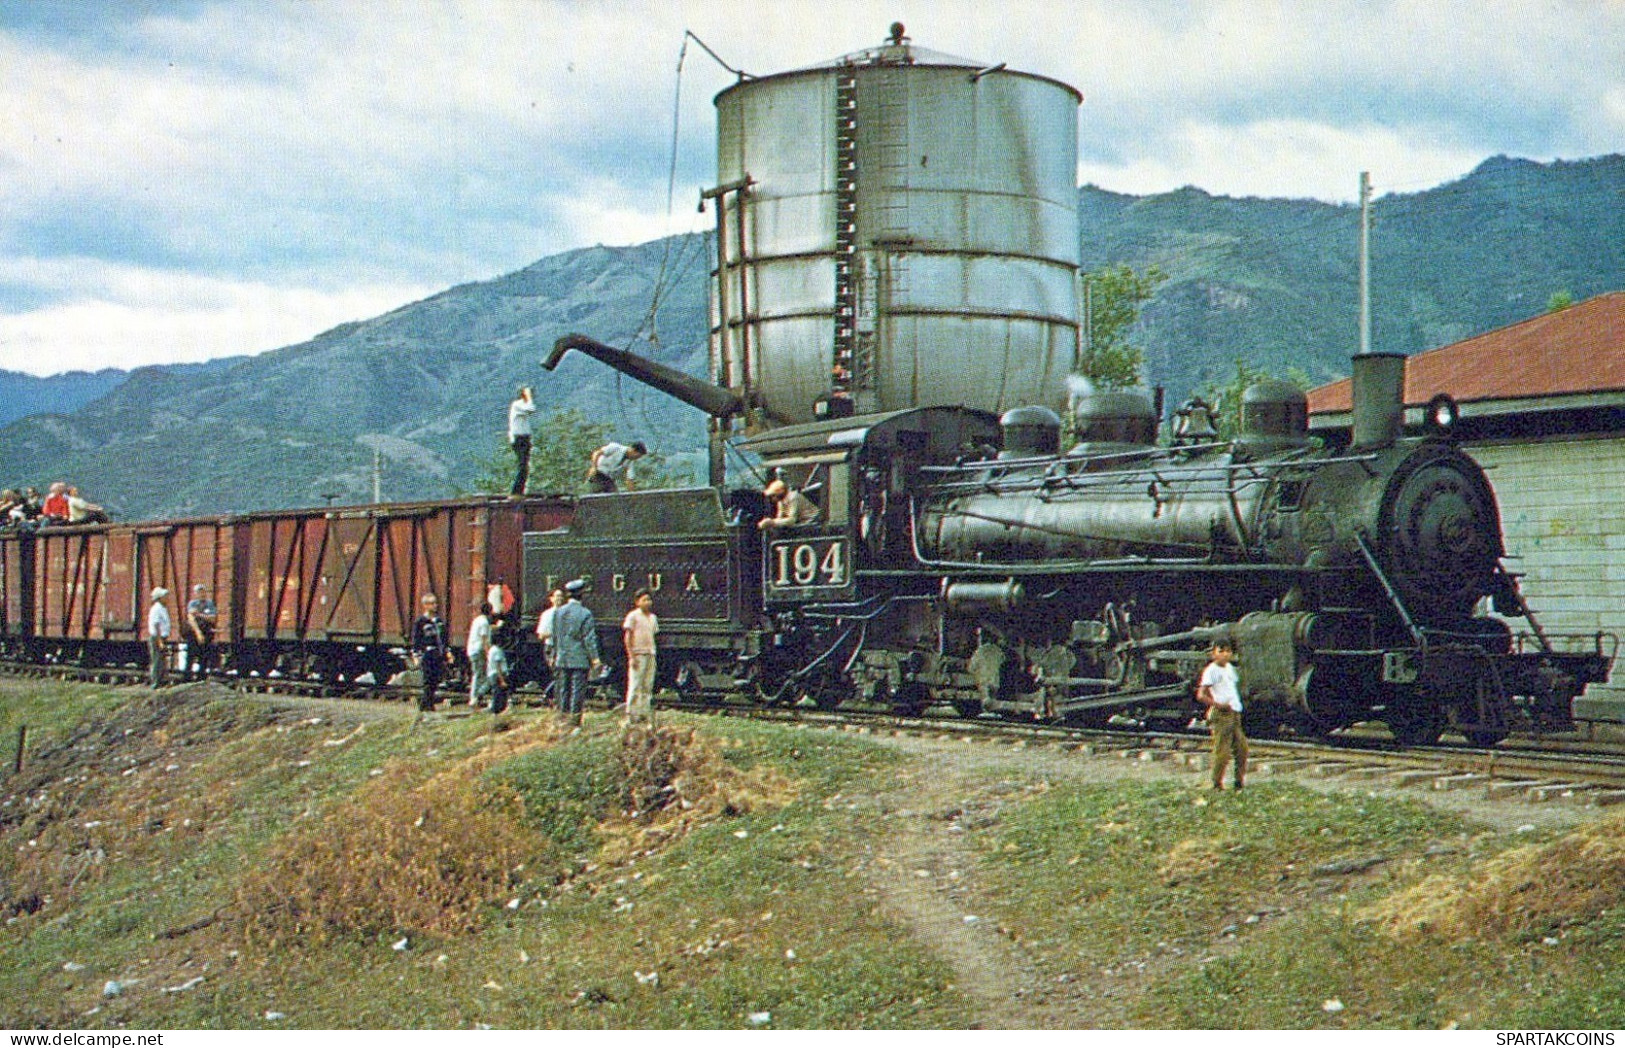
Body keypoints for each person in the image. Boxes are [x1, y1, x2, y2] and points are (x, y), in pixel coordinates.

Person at [549, 579, 601, 726]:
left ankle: (561, 718)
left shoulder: (558, 612)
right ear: (581, 595)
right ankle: (574, 720)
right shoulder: (585, 614)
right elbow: (589, 639)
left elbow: (555, 636)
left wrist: (554, 655)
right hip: (579, 658)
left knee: (563, 689)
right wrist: (595, 658)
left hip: (562, 656)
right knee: (577, 690)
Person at [1197, 639, 1247, 790]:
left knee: (1242, 749)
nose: (1225, 655)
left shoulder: (1230, 668)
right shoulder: (1211, 671)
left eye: (1228, 651)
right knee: (1222, 752)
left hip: (1234, 712)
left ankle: (1239, 782)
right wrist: (1218, 705)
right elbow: (1201, 695)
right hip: (1222, 714)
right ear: (1214, 654)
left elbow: (1233, 687)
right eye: (1221, 651)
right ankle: (1216, 783)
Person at [410, 593, 453, 712]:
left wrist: (448, 652)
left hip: (438, 653)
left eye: (435, 603)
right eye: (432, 603)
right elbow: (416, 639)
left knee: (436, 679)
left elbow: (444, 638)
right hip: (427, 654)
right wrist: (416, 655)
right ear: (425, 605)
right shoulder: (421, 622)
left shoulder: (439, 621)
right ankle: (426, 705)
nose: (435, 605)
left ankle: (426, 704)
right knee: (428, 679)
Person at [622, 588, 659, 723]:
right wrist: (631, 656)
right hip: (638, 654)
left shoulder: (653, 618)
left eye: (649, 599)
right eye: (644, 600)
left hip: (650, 653)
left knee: (647, 685)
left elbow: (653, 635)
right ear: (637, 602)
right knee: (635, 684)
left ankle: (644, 712)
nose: (647, 602)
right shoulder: (632, 616)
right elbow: (628, 637)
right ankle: (631, 713)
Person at [534, 586, 566, 707]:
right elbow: (541, 635)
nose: (559, 598)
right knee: (557, 673)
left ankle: (558, 699)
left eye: (561, 596)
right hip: (552, 647)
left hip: (564, 647)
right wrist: (555, 633)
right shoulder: (547, 615)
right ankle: (551, 696)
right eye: (557, 596)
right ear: (551, 599)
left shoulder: (566, 613)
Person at [184, 584, 218, 680]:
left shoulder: (210, 604)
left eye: (203, 592)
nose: (202, 594)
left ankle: (201, 677)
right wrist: (198, 633)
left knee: (204, 656)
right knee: (190, 655)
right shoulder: (192, 604)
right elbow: (191, 619)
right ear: (196, 594)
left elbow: (212, 619)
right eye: (199, 592)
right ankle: (187, 678)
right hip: (194, 632)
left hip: (206, 632)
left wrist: (199, 614)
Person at [508, 386, 537, 497]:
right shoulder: (517, 405)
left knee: (525, 465)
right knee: (523, 465)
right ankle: (516, 491)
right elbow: (531, 408)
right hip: (519, 438)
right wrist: (528, 396)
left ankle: (521, 490)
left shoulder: (521, 406)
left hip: (524, 437)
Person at [466, 601, 493, 707]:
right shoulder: (484, 623)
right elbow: (484, 639)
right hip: (479, 651)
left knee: (478, 674)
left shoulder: (478, 620)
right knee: (480, 674)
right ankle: (475, 697)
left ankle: (476, 697)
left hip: (472, 650)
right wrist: (488, 654)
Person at [147, 587, 172, 689]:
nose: (167, 598)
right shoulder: (156, 609)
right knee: (157, 659)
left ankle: (161, 680)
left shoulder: (162, 608)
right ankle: (155, 682)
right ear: (159, 598)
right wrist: (160, 641)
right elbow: (156, 625)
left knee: (161, 659)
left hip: (161, 637)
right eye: (164, 596)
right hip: (157, 637)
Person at [486, 619, 512, 715]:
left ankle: (496, 711)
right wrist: (502, 680)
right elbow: (498, 666)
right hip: (497, 676)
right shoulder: (497, 650)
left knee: (497, 694)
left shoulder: (492, 649)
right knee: (498, 695)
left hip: (493, 675)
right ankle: (496, 711)